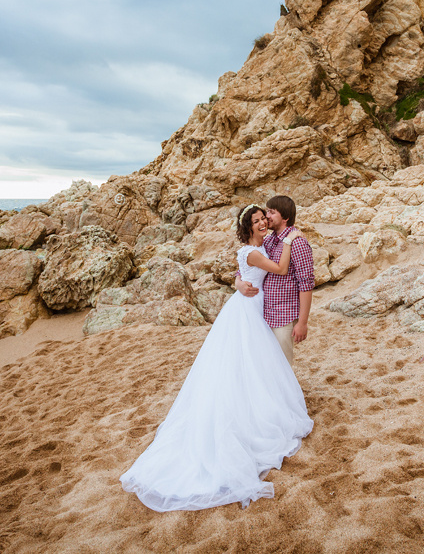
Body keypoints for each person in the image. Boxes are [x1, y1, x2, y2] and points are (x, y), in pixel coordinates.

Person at [120, 205, 313, 512]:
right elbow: (277, 269)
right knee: (245, 360)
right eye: (256, 221)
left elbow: (245, 272)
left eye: (263, 218)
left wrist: (241, 279)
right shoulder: (254, 250)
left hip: (255, 308)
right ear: (247, 227)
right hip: (248, 310)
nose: (262, 222)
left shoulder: (262, 245)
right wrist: (287, 243)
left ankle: (259, 401)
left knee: (253, 362)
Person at [235, 195, 314, 365]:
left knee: (281, 364)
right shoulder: (268, 240)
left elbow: (306, 284)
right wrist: (239, 283)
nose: (267, 216)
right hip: (262, 313)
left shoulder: (298, 243)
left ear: (285, 217)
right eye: (267, 212)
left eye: (271, 212)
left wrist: (302, 322)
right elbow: (246, 266)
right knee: (264, 363)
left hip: (284, 315)